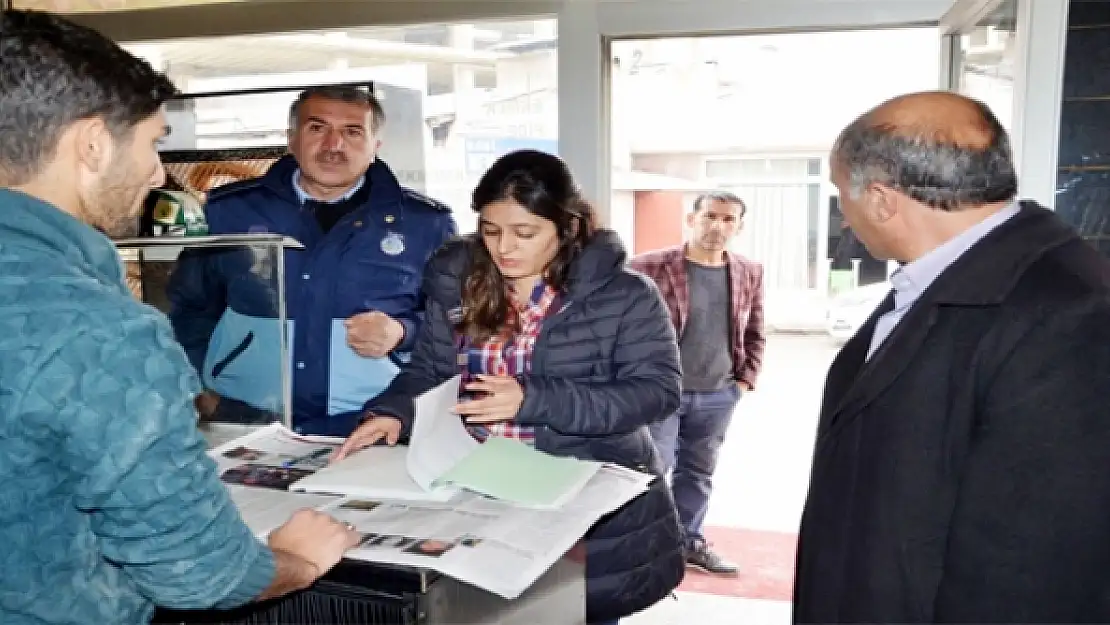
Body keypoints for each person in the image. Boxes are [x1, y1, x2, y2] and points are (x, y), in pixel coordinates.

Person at [0, 10, 362, 625]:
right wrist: (294, 562)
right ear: (92, 143)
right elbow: (199, 570)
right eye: (154, 141)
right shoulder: (102, 332)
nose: (158, 171)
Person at [793, 91, 1110, 623]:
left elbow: (1032, 570)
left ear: (880, 199)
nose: (843, 216)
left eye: (838, 195)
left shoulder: (1068, 314)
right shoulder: (947, 275)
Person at [332, 150, 686, 624]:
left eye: (526, 233)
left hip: (577, 507)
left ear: (567, 227)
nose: (505, 249)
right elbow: (430, 371)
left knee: (573, 614)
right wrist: (394, 412)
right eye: (491, 230)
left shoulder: (626, 295)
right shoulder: (459, 281)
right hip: (475, 497)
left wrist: (533, 399)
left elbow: (657, 393)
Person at [167, 85, 458, 436]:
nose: (334, 145)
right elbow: (189, 310)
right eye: (317, 128)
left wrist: (403, 331)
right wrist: (201, 391)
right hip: (247, 418)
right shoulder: (228, 212)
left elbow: (462, 324)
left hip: (372, 422)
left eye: (352, 132)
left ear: (375, 146)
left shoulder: (426, 224)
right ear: (291, 139)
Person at [631, 191, 765, 576]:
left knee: (698, 472)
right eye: (709, 216)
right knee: (652, 469)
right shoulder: (648, 266)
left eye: (727, 219)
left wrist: (745, 381)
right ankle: (644, 546)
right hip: (663, 395)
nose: (717, 226)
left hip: (719, 394)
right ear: (691, 220)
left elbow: (754, 328)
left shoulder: (748, 271)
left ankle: (688, 541)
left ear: (738, 226)